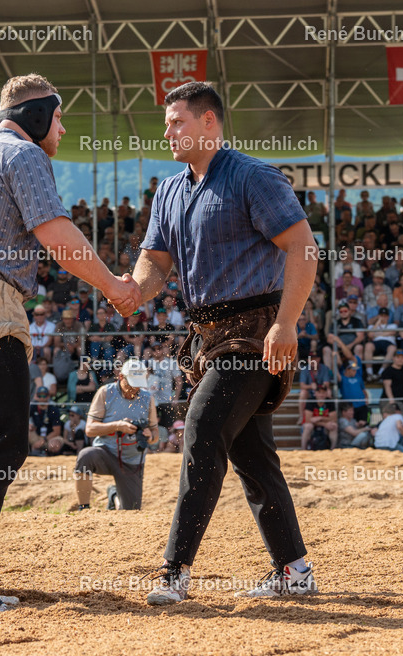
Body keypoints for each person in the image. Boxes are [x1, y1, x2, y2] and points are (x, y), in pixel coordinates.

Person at [0, 74, 139, 612]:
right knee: (2, 444)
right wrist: (112, 285)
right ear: (38, 116)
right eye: (59, 118)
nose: (62, 130)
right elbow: (55, 233)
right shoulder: (24, 157)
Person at [129, 82, 318, 605]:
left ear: (209, 122)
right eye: (166, 124)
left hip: (256, 333)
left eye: (178, 122)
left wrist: (286, 324)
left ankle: (174, 570)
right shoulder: (167, 190)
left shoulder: (253, 177)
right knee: (252, 454)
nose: (168, 131)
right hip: (206, 334)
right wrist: (131, 290)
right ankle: (293, 568)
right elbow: (156, 262)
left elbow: (302, 247)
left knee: (203, 427)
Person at [74, 359, 158, 511]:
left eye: (138, 384)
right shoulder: (106, 392)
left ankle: (113, 495)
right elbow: (90, 429)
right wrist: (118, 426)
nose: (135, 388)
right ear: (120, 377)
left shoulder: (147, 398)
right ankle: (84, 508)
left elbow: (155, 434)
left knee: (131, 510)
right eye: (131, 383)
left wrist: (149, 436)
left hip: (132, 461)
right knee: (85, 456)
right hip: (106, 452)